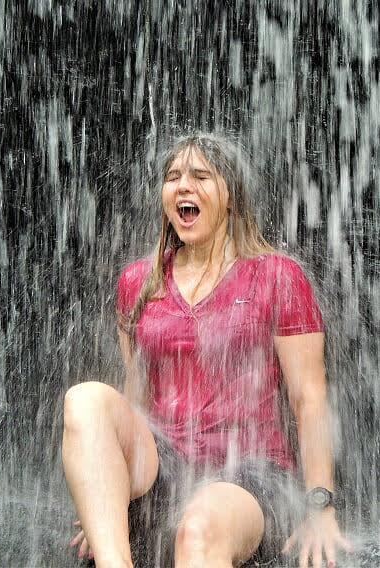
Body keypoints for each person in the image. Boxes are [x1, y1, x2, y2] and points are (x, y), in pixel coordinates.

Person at [62, 134, 353, 568]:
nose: (183, 186)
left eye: (201, 176)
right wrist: (104, 496)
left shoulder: (277, 276)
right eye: (173, 177)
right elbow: (134, 397)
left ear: (231, 196)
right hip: (164, 466)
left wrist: (320, 505)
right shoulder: (139, 283)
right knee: (83, 398)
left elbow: (308, 399)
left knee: (197, 530)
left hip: (251, 476)